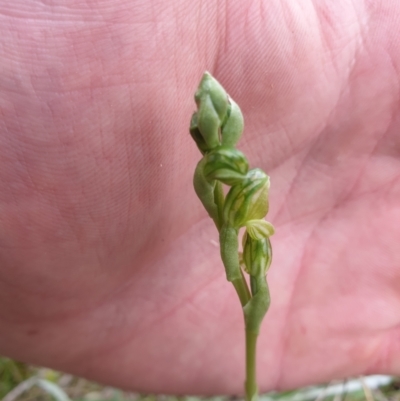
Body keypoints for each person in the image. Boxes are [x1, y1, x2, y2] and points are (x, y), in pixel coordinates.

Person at [0, 0, 399, 395]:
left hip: (238, 227)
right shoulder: (225, 195)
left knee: (253, 306)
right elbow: (232, 202)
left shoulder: (243, 217)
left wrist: (246, 240)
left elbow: (244, 210)